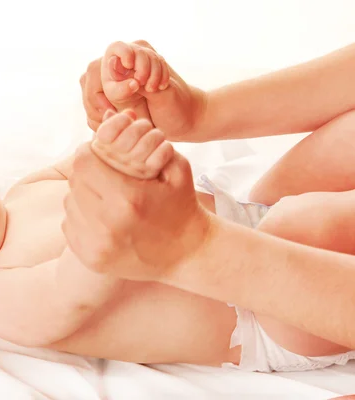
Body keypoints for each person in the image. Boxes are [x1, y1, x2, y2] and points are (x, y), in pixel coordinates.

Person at [0, 40, 353, 374]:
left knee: (340, 142)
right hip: (267, 317)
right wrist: (110, 223)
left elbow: (110, 155)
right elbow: (79, 282)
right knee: (309, 223)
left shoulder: (32, 188)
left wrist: (123, 111)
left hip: (249, 211)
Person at [71, 39, 355, 357]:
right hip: (269, 222)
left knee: (301, 228)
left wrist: (194, 248)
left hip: (300, 308)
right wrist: (199, 112)